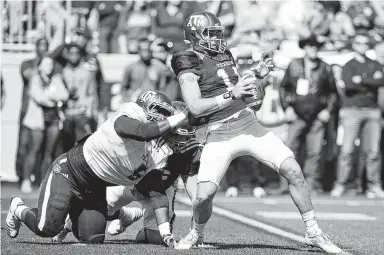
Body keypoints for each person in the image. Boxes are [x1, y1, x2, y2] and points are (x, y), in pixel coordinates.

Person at [171, 12, 341, 254]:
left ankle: (313, 232)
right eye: (211, 34)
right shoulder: (186, 60)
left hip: (247, 122)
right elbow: (196, 107)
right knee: (203, 196)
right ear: (195, 36)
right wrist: (232, 94)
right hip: (217, 131)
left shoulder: (224, 54)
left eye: (219, 33)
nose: (218, 39)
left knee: (293, 169)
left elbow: (251, 99)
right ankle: (196, 233)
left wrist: (258, 77)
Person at [6, 91, 188, 247]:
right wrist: (181, 117)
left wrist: (166, 234)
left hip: (95, 186)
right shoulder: (129, 114)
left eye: (167, 114)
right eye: (160, 111)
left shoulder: (157, 153)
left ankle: (119, 213)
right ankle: (18, 208)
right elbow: (144, 131)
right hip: (70, 173)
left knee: (93, 236)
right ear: (144, 105)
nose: (163, 117)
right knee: (46, 228)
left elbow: (157, 192)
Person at [52, 101, 201, 246]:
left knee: (157, 238)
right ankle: (125, 215)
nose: (182, 141)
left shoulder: (189, 150)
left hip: (160, 189)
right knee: (95, 211)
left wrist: (197, 232)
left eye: (186, 136)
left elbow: (196, 197)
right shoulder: (148, 136)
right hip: (128, 183)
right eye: (178, 135)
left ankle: (146, 233)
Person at [278, 34, 338, 195]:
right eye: (310, 46)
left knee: (315, 152)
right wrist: (287, 107)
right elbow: (283, 88)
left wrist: (328, 110)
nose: (313, 49)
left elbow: (333, 92)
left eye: (316, 46)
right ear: (304, 48)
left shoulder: (325, 67)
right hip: (296, 113)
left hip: (317, 114)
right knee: (289, 150)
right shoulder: (294, 65)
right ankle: (286, 185)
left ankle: (311, 184)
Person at [330, 32, 384, 198]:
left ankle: (374, 185)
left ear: (368, 46)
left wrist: (361, 80)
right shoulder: (348, 65)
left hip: (372, 111)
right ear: (354, 45)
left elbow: (380, 81)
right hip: (352, 110)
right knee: (347, 150)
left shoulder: (375, 64)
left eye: (365, 43)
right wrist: (368, 80)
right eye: (358, 43)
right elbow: (349, 85)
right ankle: (341, 184)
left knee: (373, 151)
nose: (362, 45)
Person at [21, 58, 69, 193]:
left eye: (51, 64)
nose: (49, 67)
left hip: (53, 119)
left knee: (49, 152)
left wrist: (49, 96)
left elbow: (64, 95)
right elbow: (38, 97)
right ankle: (26, 180)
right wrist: (53, 97)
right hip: (37, 119)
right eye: (46, 64)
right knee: (34, 150)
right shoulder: (35, 79)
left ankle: (44, 181)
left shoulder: (56, 79)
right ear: (40, 66)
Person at [16, 38, 49, 187]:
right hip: (27, 109)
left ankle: (34, 178)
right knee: (23, 146)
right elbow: (27, 75)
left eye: (45, 46)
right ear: (36, 48)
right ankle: (21, 175)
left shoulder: (50, 65)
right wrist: (40, 64)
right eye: (40, 46)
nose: (43, 49)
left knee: (39, 148)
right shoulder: (27, 63)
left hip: (44, 113)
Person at [60, 43, 98, 153]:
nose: (74, 56)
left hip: (81, 113)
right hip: (67, 113)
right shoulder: (63, 72)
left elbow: (92, 93)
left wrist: (90, 112)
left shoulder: (86, 72)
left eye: (76, 53)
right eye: (71, 53)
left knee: (81, 147)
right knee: (66, 148)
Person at [121, 38, 167, 102]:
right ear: (139, 50)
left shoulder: (158, 69)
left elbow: (162, 89)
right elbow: (123, 88)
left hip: (151, 105)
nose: (145, 52)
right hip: (133, 104)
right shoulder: (130, 67)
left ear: (150, 50)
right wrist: (127, 100)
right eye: (143, 50)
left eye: (147, 50)